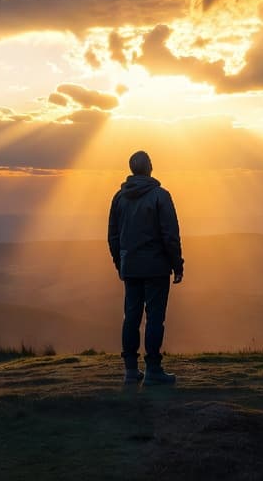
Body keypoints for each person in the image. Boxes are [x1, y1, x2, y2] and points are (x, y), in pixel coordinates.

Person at [108, 149, 184, 385]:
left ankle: (131, 370)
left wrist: (120, 263)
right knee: (154, 319)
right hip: (156, 268)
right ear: (149, 167)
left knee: (130, 316)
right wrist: (177, 265)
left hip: (130, 267)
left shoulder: (119, 198)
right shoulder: (160, 196)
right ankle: (153, 370)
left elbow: (113, 236)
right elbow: (170, 235)